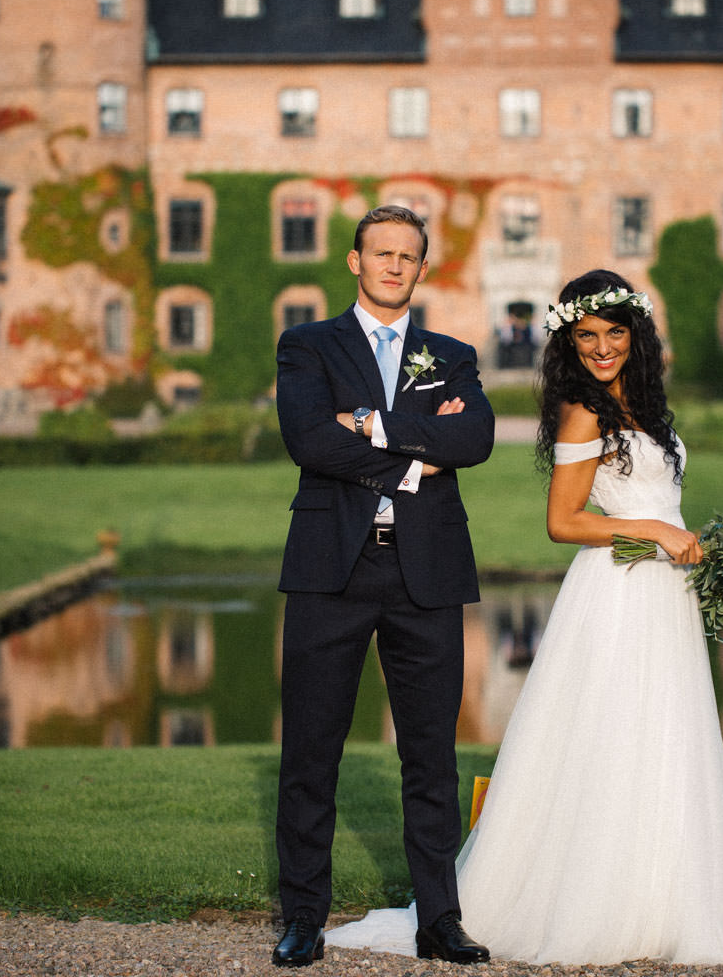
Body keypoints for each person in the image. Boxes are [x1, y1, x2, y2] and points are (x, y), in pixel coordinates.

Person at [326, 268, 723, 966]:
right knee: (609, 738)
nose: (601, 348)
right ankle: (590, 906)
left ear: (637, 334)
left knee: (663, 738)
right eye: (587, 336)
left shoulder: (648, 408)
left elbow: (662, 507)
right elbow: (562, 523)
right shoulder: (582, 410)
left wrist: (707, 547)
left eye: (613, 334)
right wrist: (654, 534)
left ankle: (659, 902)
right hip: (617, 593)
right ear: (570, 342)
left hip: (664, 596)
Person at [272, 205, 495, 967]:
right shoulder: (306, 345)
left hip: (425, 573)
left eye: (408, 256)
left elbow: (476, 439)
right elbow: (308, 438)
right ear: (354, 261)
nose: (394, 266)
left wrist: (364, 422)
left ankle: (440, 920)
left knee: (431, 756)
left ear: (421, 268)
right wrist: (411, 452)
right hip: (330, 570)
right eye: (381, 254)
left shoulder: (452, 353)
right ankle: (303, 916)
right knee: (311, 752)